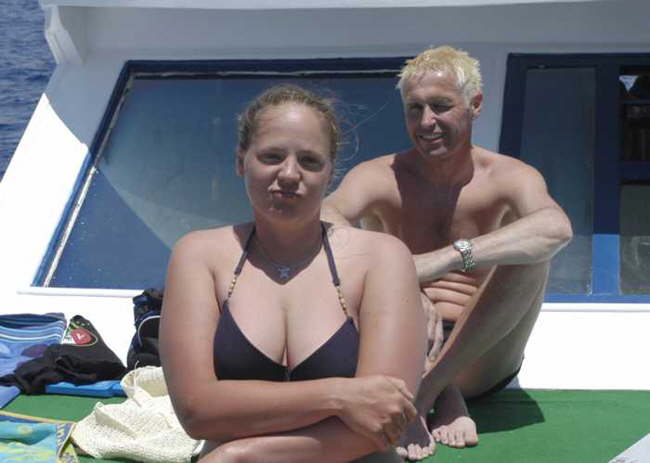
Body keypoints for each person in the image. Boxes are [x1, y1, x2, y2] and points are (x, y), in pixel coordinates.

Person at [322, 46, 573, 460]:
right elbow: (323, 222)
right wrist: (403, 283)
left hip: (482, 357)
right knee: (326, 257)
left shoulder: (508, 176)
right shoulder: (379, 176)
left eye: (440, 106)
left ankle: (430, 389)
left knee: (532, 255)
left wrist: (447, 259)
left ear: (475, 105)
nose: (426, 122)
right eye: (414, 108)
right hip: (398, 343)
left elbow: (556, 227)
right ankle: (438, 389)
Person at [160, 84, 430, 462]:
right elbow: (196, 410)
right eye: (272, 156)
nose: (289, 173)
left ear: (330, 174)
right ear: (241, 161)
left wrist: (242, 455)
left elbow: (386, 417)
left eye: (309, 161)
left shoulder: (382, 258)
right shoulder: (198, 256)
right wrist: (340, 396)